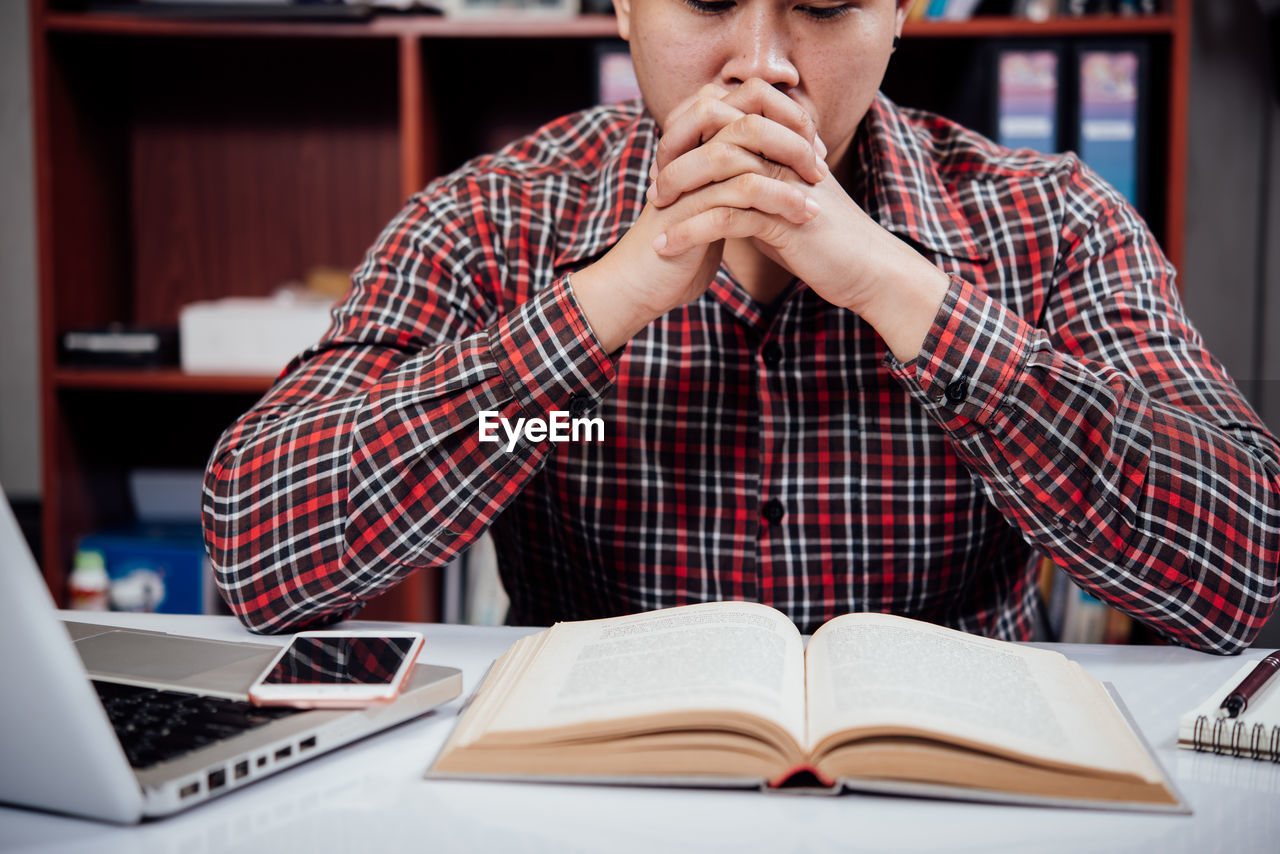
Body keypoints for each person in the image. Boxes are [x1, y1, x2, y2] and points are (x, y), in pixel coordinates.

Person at [203, 0, 1280, 653]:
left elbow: (1241, 570)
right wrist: (599, 306)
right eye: (708, 0)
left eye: (821, 3)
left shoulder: (1051, 221)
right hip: (585, 804)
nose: (761, 63)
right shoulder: (496, 219)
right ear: (624, 7)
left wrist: (894, 287)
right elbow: (258, 545)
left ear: (899, 11)